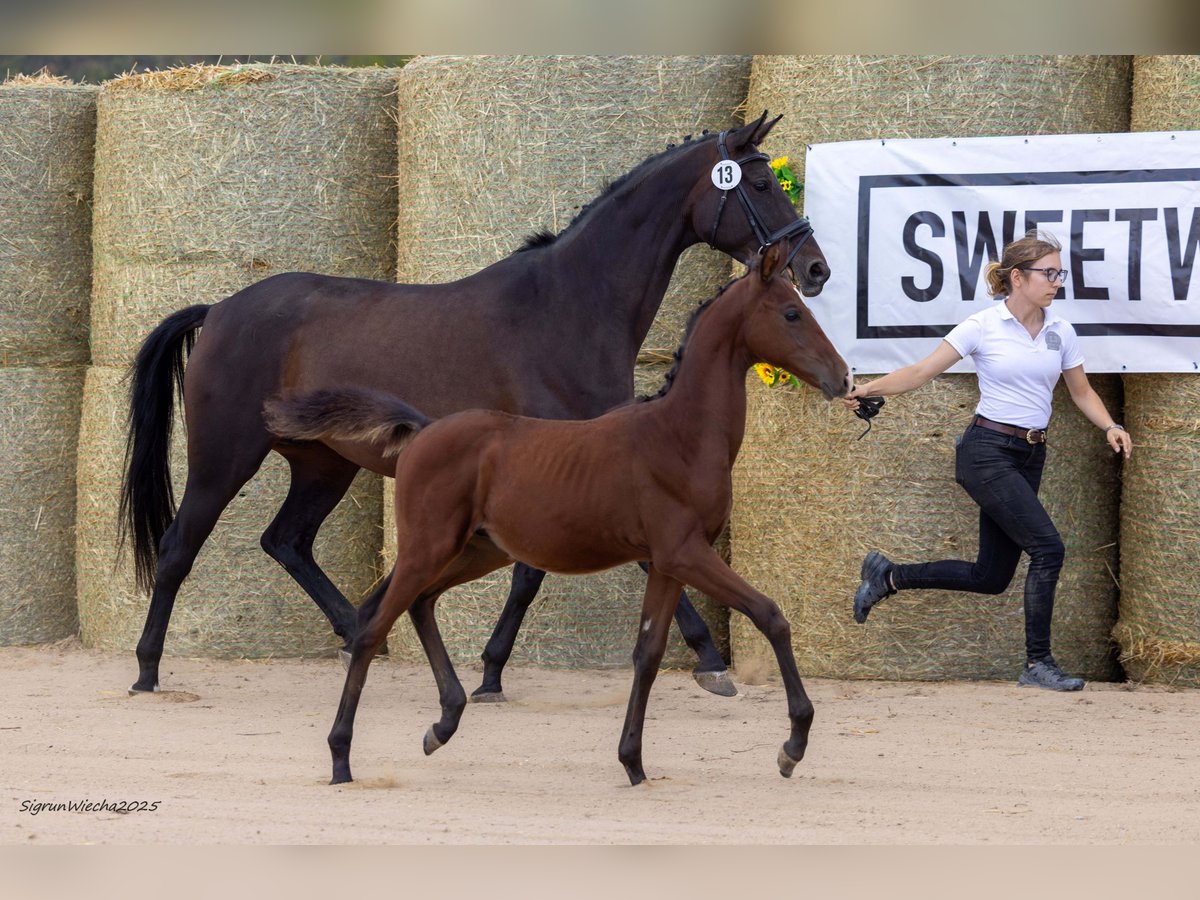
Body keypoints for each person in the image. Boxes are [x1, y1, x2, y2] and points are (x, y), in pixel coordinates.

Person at [842, 230, 1133, 691]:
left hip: (1030, 454)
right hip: (986, 451)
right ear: (1017, 277)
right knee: (1048, 549)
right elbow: (921, 371)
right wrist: (866, 390)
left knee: (991, 576)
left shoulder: (1061, 331)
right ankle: (1038, 663)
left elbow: (1081, 391)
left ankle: (888, 576)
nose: (1058, 282)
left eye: (1060, 273)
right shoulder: (982, 325)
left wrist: (1109, 425)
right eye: (1049, 273)